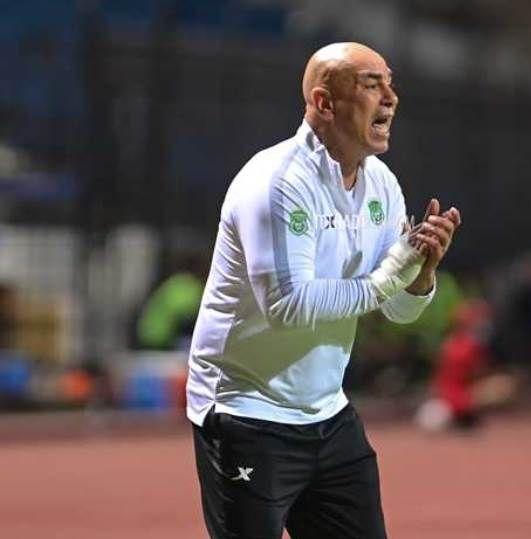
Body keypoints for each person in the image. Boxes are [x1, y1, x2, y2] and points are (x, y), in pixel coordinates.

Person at [187, 42, 461, 539]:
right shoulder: (277, 182)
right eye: (372, 84)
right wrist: (386, 279)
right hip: (244, 409)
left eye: (390, 83)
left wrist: (419, 276)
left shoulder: (382, 186)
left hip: (327, 411)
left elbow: (397, 310)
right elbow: (288, 304)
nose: (391, 98)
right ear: (324, 103)